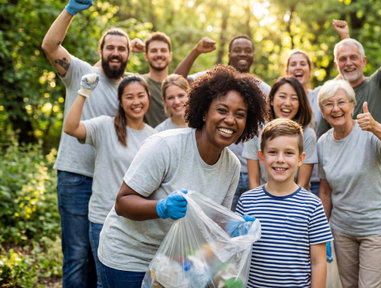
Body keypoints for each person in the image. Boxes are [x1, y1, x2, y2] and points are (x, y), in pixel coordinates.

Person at [96, 66, 267, 287]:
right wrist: (161, 207)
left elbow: (214, 223)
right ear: (205, 112)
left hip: (174, 261)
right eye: (222, 110)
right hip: (129, 257)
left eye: (240, 114)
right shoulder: (166, 145)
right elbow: (122, 203)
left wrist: (235, 228)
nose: (230, 120)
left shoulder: (231, 165)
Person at [318, 0, 381, 288]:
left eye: (353, 57)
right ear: (336, 65)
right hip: (347, 194)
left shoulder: (379, 83)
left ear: (364, 61)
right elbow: (323, 151)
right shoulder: (334, 101)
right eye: (342, 59)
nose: (348, 62)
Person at [41, 0, 131, 288]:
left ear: (129, 55)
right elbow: (50, 45)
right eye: (111, 47)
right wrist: (69, 11)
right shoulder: (82, 72)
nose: (116, 52)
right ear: (101, 50)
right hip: (76, 178)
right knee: (78, 257)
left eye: (122, 48)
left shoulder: (130, 91)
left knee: (101, 255)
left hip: (111, 183)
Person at [63, 74, 155, 287]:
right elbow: (70, 127)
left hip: (136, 222)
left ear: (148, 97)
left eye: (141, 95)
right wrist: (83, 92)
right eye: (129, 97)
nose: (136, 102)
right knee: (103, 281)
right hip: (103, 219)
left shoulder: (153, 136)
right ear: (121, 102)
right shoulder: (104, 126)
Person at [317, 80, 381, 288]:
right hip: (342, 229)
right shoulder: (323, 143)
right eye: (328, 104)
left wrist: (376, 127)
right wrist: (322, 230)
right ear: (322, 111)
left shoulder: (369, 132)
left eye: (341, 102)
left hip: (376, 227)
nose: (336, 108)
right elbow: (325, 191)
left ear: (352, 105)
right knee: (349, 285)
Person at [174, 35, 270, 210]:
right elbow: (175, 81)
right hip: (218, 170)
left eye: (248, 50)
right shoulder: (212, 80)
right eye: (237, 50)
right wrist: (196, 51)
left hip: (253, 174)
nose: (243, 54)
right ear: (229, 53)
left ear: (253, 56)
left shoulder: (263, 90)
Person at [236, 118, 333, 287]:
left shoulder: (313, 205)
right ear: (261, 157)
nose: (280, 159)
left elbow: (318, 262)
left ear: (301, 159)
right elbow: (237, 253)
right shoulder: (246, 201)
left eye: (289, 153)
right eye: (272, 152)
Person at [243, 76, 317, 191]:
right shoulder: (256, 129)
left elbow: (303, 184)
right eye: (282, 96)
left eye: (294, 98)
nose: (287, 103)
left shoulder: (307, 134)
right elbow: (254, 180)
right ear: (271, 100)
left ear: (300, 103)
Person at [285, 49, 323, 195]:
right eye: (293, 64)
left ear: (309, 70)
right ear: (287, 70)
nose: (298, 67)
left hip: (314, 179)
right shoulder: (279, 99)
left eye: (303, 63)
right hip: (283, 176)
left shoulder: (319, 95)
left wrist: (345, 37)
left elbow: (345, 78)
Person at [130, 32, 173, 127]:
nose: (159, 54)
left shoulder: (177, 85)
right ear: (146, 56)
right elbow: (97, 74)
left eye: (163, 50)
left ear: (170, 56)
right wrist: (128, 48)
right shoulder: (137, 82)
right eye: (154, 51)